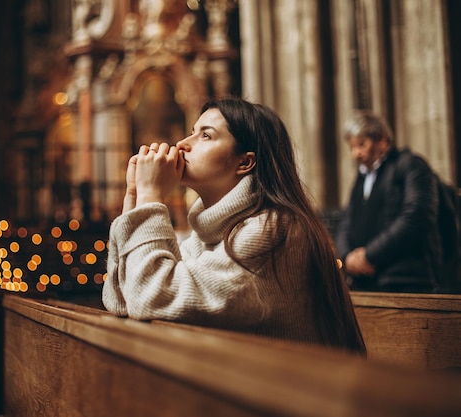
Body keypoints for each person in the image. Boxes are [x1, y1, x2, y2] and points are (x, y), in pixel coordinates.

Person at [102, 97, 367, 355]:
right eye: (192, 132)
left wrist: (151, 197)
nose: (182, 144)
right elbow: (122, 301)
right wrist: (134, 199)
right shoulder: (208, 235)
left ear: (245, 162)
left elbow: (150, 298)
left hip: (294, 395)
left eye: (205, 135)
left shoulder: (274, 229)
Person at [334, 110, 441, 293]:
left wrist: (370, 255)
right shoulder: (361, 177)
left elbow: (417, 217)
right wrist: (348, 257)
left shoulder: (410, 165)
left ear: (381, 140)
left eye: (361, 144)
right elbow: (347, 220)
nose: (356, 154)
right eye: (352, 147)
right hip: (366, 282)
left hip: (404, 281)